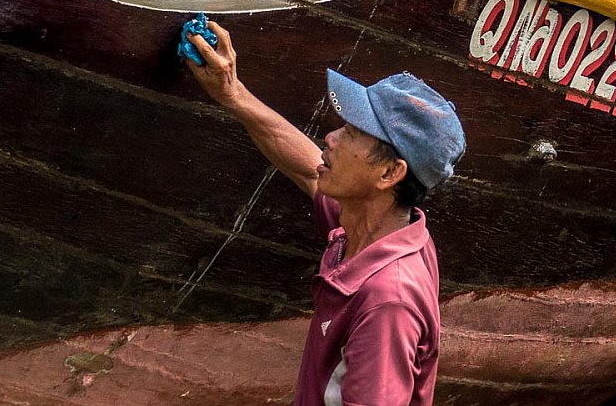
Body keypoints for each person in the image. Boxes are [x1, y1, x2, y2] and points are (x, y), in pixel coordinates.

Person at [185, 21, 465, 406]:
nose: (330, 138)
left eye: (352, 133)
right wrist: (232, 93)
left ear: (389, 173)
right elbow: (307, 168)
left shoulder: (388, 301)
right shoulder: (380, 226)